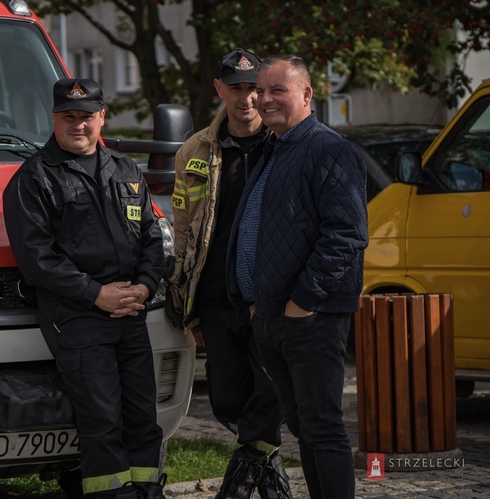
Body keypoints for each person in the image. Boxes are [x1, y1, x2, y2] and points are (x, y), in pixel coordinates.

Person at [2, 78, 167, 499]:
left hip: (131, 311)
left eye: (87, 117)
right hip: (77, 317)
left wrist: (146, 286)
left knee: (143, 417)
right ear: (54, 119)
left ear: (102, 118)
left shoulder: (125, 168)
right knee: (103, 421)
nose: (79, 125)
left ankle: (148, 492)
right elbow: (38, 259)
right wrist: (97, 293)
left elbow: (151, 235)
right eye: (69, 117)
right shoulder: (34, 179)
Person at [227, 54, 368, 499]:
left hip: (312, 315)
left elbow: (346, 235)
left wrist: (302, 302)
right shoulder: (274, 147)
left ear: (307, 94)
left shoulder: (329, 149)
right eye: (259, 90)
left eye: (276, 90)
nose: (263, 99)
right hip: (272, 315)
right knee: (302, 426)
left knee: (322, 427)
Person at [167, 49, 291, 499]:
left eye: (254, 89)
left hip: (268, 296)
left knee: (271, 386)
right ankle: (266, 463)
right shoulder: (194, 150)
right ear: (219, 89)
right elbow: (183, 230)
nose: (246, 99)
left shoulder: (284, 145)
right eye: (235, 88)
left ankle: (240, 481)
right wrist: (187, 303)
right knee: (227, 398)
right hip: (215, 296)